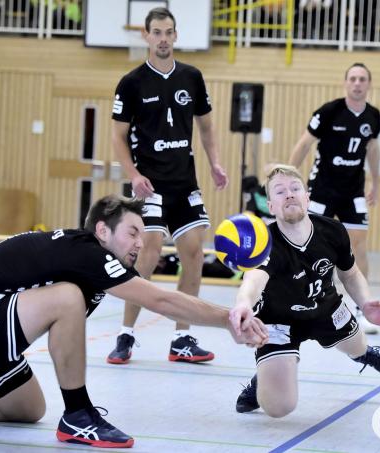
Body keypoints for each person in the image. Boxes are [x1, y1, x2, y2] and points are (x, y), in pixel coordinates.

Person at [0, 195, 268, 448]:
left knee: (28, 410)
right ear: (102, 230)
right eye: (132, 232)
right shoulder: (89, 253)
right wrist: (228, 320)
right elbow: (161, 300)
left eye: (143, 234)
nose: (140, 243)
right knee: (68, 297)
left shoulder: (83, 256)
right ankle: (78, 414)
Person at [108, 7, 229, 365]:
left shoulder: (192, 77)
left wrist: (216, 163)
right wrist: (132, 174)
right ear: (146, 36)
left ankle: (182, 337)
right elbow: (118, 135)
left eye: (168, 32)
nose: (163, 39)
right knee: (150, 252)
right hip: (150, 184)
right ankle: (126, 335)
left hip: (184, 183)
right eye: (156, 32)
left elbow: (206, 127)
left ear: (176, 36)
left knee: (193, 253)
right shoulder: (131, 83)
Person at [230, 165, 380, 417]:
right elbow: (254, 279)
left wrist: (365, 303)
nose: (289, 194)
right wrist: (244, 303)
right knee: (279, 408)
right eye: (279, 192)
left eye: (295, 188)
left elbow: (350, 273)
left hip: (326, 308)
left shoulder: (333, 231)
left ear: (307, 197)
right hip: (279, 319)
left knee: (356, 347)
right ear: (270, 206)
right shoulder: (264, 241)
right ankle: (264, 376)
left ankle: (364, 354)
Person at [288, 62, 380, 334]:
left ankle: (359, 309)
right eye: (352, 78)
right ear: (345, 83)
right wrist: (290, 180)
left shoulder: (373, 116)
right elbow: (304, 144)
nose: (357, 83)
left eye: (362, 79)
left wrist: (374, 182)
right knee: (310, 243)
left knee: (358, 245)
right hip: (323, 188)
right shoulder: (329, 112)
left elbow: (373, 148)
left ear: (368, 84)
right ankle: (304, 303)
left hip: (352, 190)